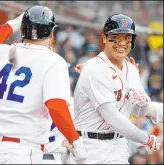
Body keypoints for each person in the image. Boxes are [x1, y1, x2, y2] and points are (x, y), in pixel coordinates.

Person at [0, 6, 87, 164]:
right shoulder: (53, 61)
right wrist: (77, 142)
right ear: (51, 33)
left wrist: (13, 24)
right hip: (22, 152)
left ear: (23, 30)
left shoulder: (1, 52)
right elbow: (56, 106)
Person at [63, 14, 162, 164]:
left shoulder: (131, 69)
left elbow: (139, 111)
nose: (121, 42)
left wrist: (141, 103)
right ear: (104, 38)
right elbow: (112, 117)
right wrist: (145, 139)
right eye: (115, 37)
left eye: (127, 37)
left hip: (118, 145)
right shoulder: (94, 68)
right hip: (89, 145)